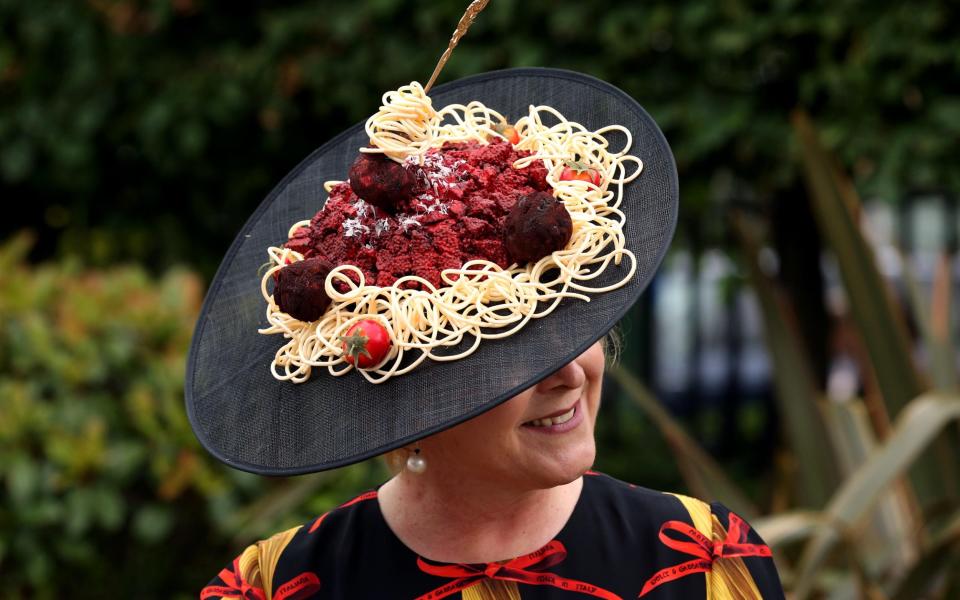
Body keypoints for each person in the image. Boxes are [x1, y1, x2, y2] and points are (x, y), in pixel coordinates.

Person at [187, 69, 785, 599]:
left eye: (572, 332)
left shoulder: (703, 566)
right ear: (414, 394)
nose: (570, 373)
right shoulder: (274, 588)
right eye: (513, 357)